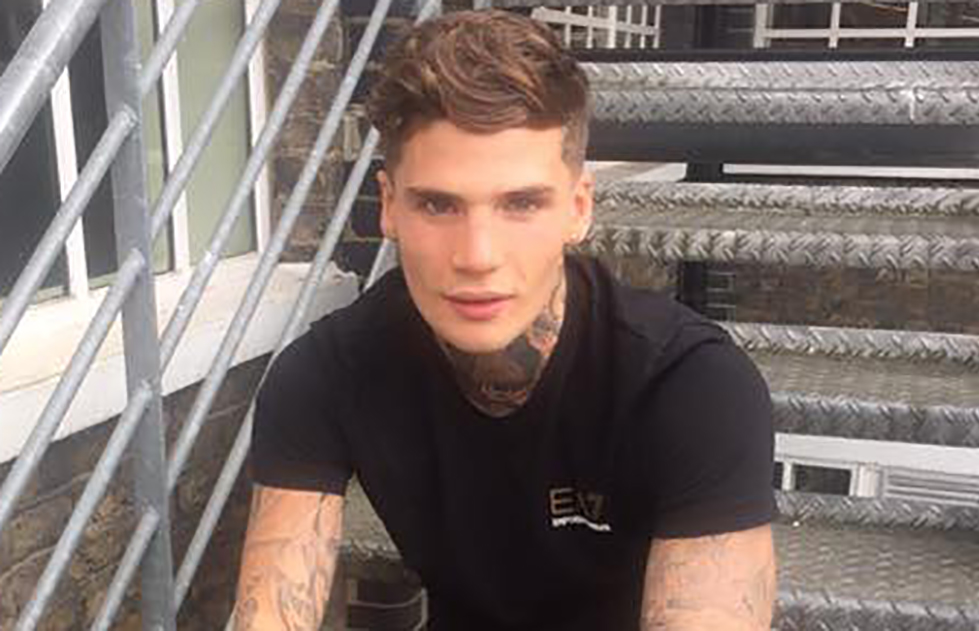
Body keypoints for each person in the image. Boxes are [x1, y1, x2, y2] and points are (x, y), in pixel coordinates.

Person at [234, 9, 777, 630]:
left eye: (521, 204)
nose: (477, 256)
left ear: (578, 209)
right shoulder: (326, 375)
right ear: (388, 206)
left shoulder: (691, 386)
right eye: (438, 205)